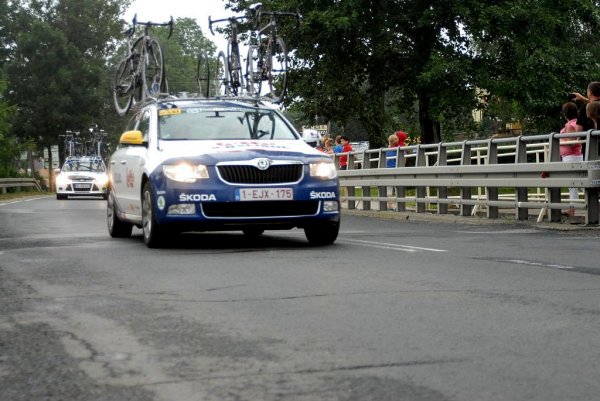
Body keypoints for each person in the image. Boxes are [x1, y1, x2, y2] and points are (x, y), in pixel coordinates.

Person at [560, 102, 584, 217]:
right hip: (575, 156)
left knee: (574, 184)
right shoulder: (576, 123)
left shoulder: (570, 126)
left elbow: (572, 143)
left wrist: (559, 141)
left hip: (571, 157)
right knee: (580, 184)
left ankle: (572, 210)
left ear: (565, 114)